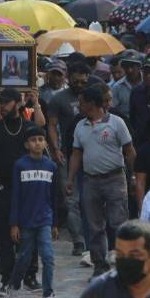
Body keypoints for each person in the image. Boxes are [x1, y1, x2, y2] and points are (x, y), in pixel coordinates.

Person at [67, 86, 135, 279]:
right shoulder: (80, 126)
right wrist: (71, 179)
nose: (79, 105)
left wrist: (133, 176)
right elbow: (76, 154)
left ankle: (123, 263)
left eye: (82, 101)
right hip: (90, 180)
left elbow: (129, 151)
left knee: (118, 222)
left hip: (114, 178)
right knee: (94, 225)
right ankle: (99, 265)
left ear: (91, 103)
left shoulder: (116, 123)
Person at [0, 87, 42, 296]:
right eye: (0, 103)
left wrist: (36, 103)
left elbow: (41, 127)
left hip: (27, 188)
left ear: (17, 103)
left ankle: (30, 275)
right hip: (4, 188)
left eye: (6, 103)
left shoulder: (28, 128)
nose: (2, 107)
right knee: (4, 238)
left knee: (29, 234)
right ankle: (6, 278)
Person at [6, 126, 60, 298]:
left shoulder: (51, 166)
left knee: (48, 257)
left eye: (40, 139)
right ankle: (13, 286)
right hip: (26, 221)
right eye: (33, 140)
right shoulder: (20, 165)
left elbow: (54, 197)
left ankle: (48, 295)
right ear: (26, 144)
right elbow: (16, 196)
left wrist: (55, 223)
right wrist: (14, 223)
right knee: (24, 258)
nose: (37, 143)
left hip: (45, 219)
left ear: (45, 142)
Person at [47, 62, 90, 256]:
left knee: (91, 198)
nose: (79, 84)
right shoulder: (58, 99)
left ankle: (92, 237)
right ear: (68, 77)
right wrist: (55, 148)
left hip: (91, 154)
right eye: (75, 80)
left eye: (83, 81)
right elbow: (52, 125)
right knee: (71, 198)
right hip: (68, 152)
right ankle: (78, 240)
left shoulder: (93, 94)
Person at [111, 51, 142, 119]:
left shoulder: (147, 82)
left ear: (139, 67)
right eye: (127, 67)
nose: (129, 70)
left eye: (132, 67)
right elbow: (112, 108)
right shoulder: (117, 87)